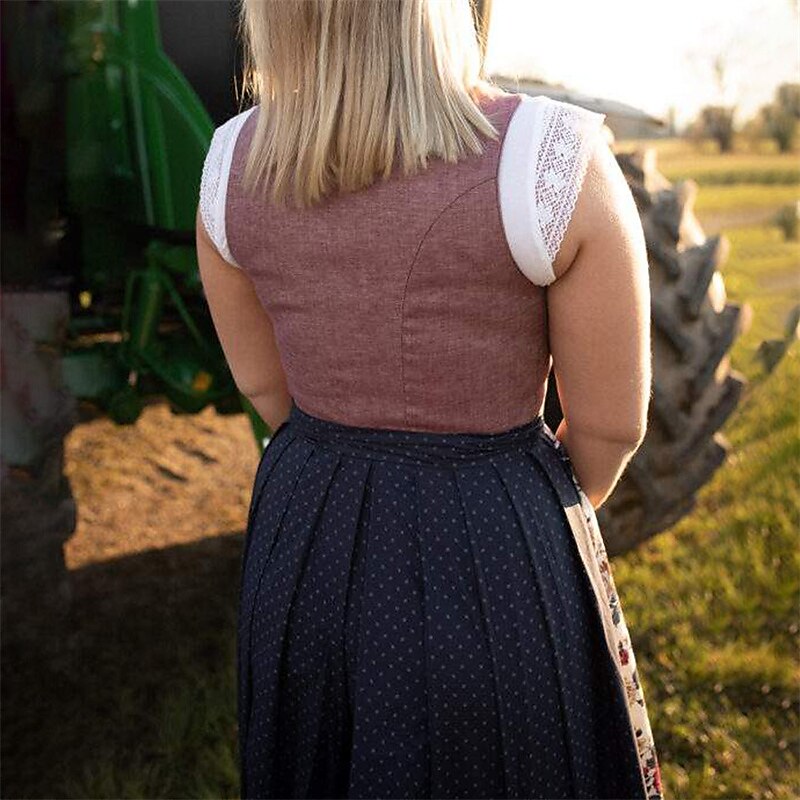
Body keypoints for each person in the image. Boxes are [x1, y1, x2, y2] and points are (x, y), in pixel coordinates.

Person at [195, 1, 663, 798]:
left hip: (305, 522)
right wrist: (529, 509)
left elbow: (264, 387)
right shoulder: (549, 156)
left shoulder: (229, 159)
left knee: (319, 756)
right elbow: (612, 425)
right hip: (493, 527)